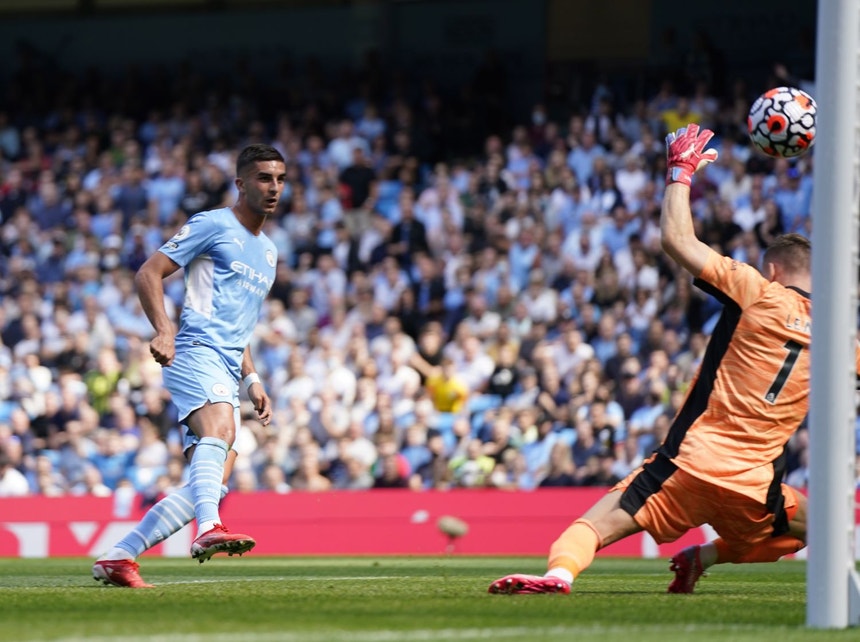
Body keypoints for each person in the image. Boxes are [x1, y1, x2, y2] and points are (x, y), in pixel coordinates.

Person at [489, 124, 823, 596]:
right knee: (817, 526)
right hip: (755, 486)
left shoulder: (758, 292)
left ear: (772, 270)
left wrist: (680, 173)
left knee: (598, 523)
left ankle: (558, 575)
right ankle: (703, 557)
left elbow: (677, 242)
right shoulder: (840, 334)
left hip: (690, 462)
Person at [92, 144, 287, 588]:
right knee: (219, 433)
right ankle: (208, 531)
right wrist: (163, 330)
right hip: (193, 350)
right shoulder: (212, 224)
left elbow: (241, 325)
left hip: (226, 363)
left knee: (212, 484)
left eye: (279, 179)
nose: (273, 187)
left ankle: (119, 557)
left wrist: (252, 378)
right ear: (240, 183)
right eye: (263, 178)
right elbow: (148, 272)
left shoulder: (270, 252)